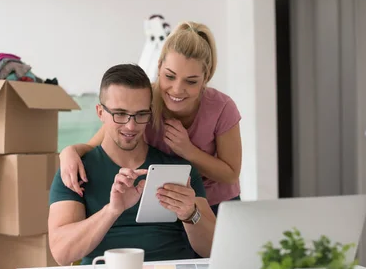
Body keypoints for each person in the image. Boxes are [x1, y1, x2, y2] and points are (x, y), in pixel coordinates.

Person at [59, 21, 242, 216]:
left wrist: (187, 150)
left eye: (191, 81)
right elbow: (95, 146)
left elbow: (230, 174)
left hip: (215, 204)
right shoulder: (144, 100)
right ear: (159, 66)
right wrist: (68, 152)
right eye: (169, 76)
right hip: (160, 204)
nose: (177, 89)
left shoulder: (222, 108)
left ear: (205, 78)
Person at [48, 64, 216, 266]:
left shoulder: (178, 169)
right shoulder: (77, 171)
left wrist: (190, 214)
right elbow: (62, 253)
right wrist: (112, 210)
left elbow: (213, 250)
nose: (131, 126)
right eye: (119, 114)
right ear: (100, 112)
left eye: (140, 114)